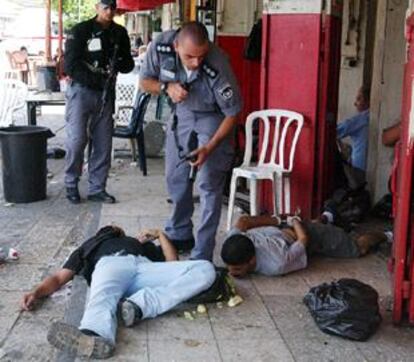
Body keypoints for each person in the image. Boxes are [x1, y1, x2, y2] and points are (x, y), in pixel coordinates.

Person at [20, 226, 216, 359]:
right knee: (102, 297)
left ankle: (138, 306)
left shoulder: (138, 244)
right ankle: (95, 335)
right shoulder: (90, 246)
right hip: (110, 264)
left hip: (143, 269)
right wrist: (36, 293)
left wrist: (160, 235)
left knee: (205, 269)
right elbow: (58, 278)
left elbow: (173, 264)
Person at [140, 21, 242, 260]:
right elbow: (144, 82)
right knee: (175, 176)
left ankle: (202, 253)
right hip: (183, 113)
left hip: (213, 117)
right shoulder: (161, 46)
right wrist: (167, 87)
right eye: (189, 56)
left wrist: (210, 146)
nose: (196, 63)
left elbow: (232, 112)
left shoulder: (218, 62)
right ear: (176, 45)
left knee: (208, 184)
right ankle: (179, 233)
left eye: (201, 56)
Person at [63, 0, 134, 204]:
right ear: (96, 7)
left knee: (103, 143)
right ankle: (71, 183)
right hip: (82, 90)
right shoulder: (81, 30)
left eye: (112, 7)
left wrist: (118, 63)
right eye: (105, 7)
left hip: (105, 93)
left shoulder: (119, 33)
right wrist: (96, 79)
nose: (109, 11)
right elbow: (70, 65)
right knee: (77, 140)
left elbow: (127, 63)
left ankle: (97, 188)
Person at [221, 215, 387, 278]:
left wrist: (292, 220)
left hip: (304, 234)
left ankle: (386, 234)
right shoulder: (234, 242)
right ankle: (328, 216)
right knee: (325, 230)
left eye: (236, 269)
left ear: (251, 261)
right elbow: (243, 221)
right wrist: (278, 220)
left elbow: (304, 239)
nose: (231, 272)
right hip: (282, 232)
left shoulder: (276, 264)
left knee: (357, 249)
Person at [337, 86, 370, 172]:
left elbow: (333, 131)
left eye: (359, 99)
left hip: (358, 171)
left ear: (369, 101)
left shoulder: (361, 119)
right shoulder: (371, 117)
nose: (355, 103)